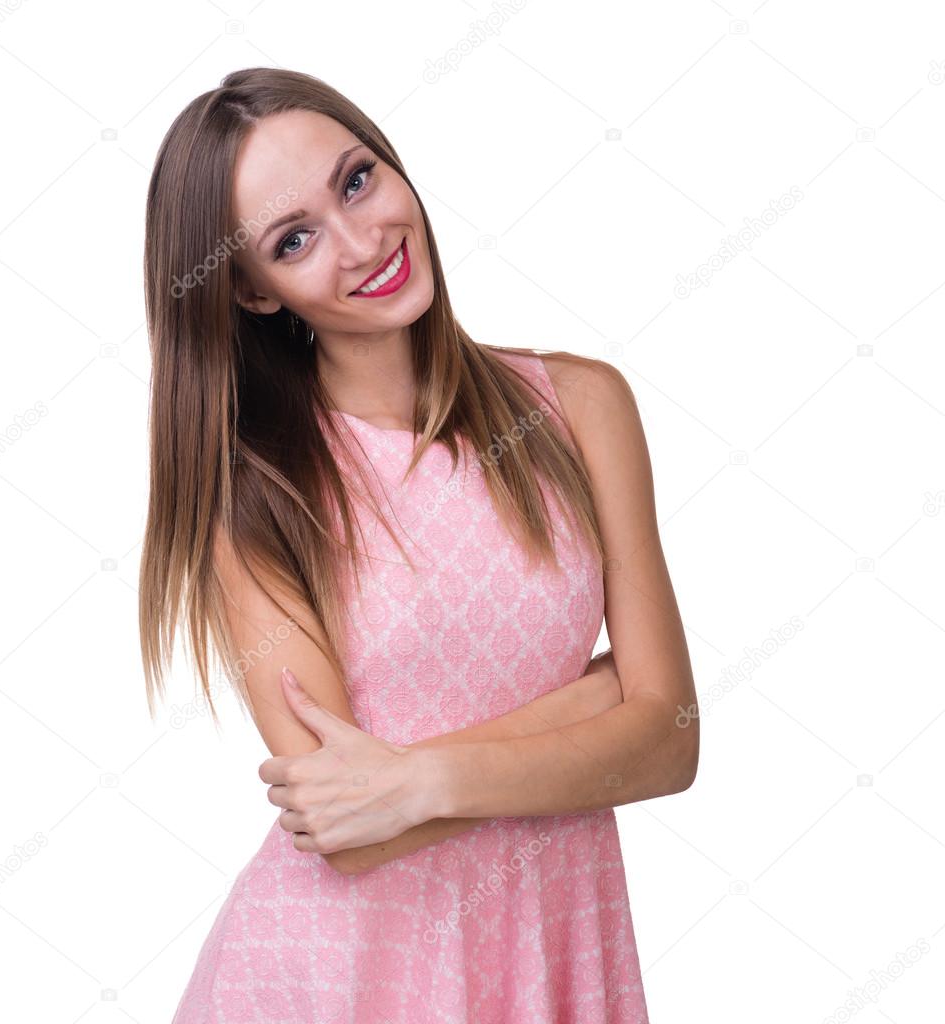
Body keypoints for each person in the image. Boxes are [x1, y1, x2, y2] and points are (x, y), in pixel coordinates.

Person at [139, 66, 699, 1024]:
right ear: (255, 292)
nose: (362, 243)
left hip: (554, 942)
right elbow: (343, 829)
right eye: (295, 239)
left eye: (356, 180)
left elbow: (670, 743)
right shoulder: (258, 497)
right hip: (337, 975)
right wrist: (601, 700)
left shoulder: (581, 407)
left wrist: (412, 782)